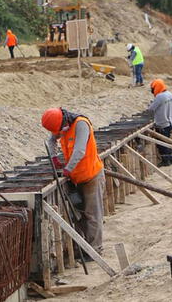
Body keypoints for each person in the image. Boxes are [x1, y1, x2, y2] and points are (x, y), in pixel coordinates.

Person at [42, 107, 105, 256]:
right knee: (79, 213)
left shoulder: (81, 124)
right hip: (76, 177)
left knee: (92, 214)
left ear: (64, 119)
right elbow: (51, 140)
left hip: (91, 176)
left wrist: (67, 169)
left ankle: (95, 250)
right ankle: (84, 246)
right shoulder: (61, 125)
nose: (60, 133)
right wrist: (54, 158)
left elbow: (79, 151)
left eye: (60, 130)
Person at [148, 79, 172, 166]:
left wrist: (150, 104)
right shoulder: (170, 94)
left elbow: (151, 108)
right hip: (170, 121)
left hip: (162, 123)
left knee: (162, 144)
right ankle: (170, 159)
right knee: (167, 141)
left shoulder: (160, 96)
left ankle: (165, 161)